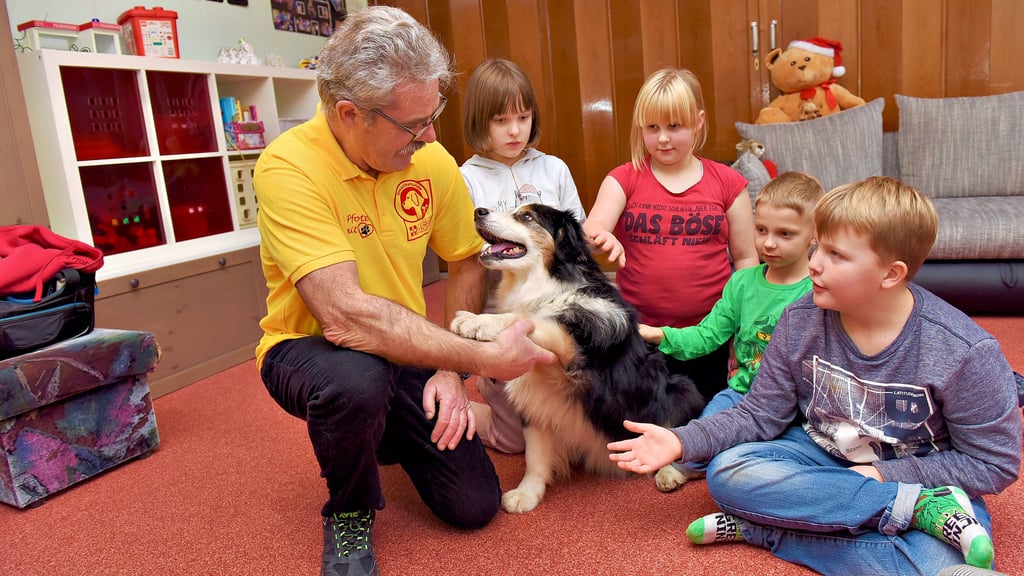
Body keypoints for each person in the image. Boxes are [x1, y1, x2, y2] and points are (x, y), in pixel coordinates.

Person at [252, 7, 556, 576]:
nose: (432, 135)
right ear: (350, 114)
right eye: (415, 124)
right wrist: (483, 357)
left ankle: (384, 429)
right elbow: (345, 317)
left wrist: (448, 369)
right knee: (356, 380)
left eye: (433, 114)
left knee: (473, 506)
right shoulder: (286, 168)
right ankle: (349, 510)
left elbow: (463, 261)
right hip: (310, 348)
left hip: (404, 347)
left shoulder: (430, 160)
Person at [608, 176, 1022, 575]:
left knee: (942, 565)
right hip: (822, 453)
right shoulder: (800, 320)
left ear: (890, 274)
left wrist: (885, 476)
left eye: (836, 255)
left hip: (917, 471)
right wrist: (683, 439)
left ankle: (765, 529)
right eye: (818, 248)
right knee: (728, 472)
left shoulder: (966, 351)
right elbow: (758, 415)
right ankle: (909, 510)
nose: (814, 264)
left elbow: (993, 463)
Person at [637, 171, 824, 490]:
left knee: (791, 451)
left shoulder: (819, 289)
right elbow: (707, 335)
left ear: (815, 234)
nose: (768, 242)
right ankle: (690, 464)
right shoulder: (742, 283)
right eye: (761, 229)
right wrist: (659, 334)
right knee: (706, 428)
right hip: (740, 393)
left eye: (785, 234)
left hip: (797, 405)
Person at [583, 68, 758, 400]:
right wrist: (602, 236)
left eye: (674, 127)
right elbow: (593, 228)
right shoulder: (624, 178)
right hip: (640, 335)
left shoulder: (728, 183)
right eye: (653, 127)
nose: (662, 138)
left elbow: (747, 257)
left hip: (710, 334)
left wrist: (742, 323)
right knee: (642, 416)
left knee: (708, 416)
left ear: (699, 121)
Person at [459, 58, 586, 454]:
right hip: (502, 321)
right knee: (514, 442)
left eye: (523, 117)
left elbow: (578, 239)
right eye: (501, 120)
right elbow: (466, 260)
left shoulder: (554, 169)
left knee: (570, 428)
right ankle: (466, 410)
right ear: (481, 123)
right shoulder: (467, 177)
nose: (515, 130)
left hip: (553, 317)